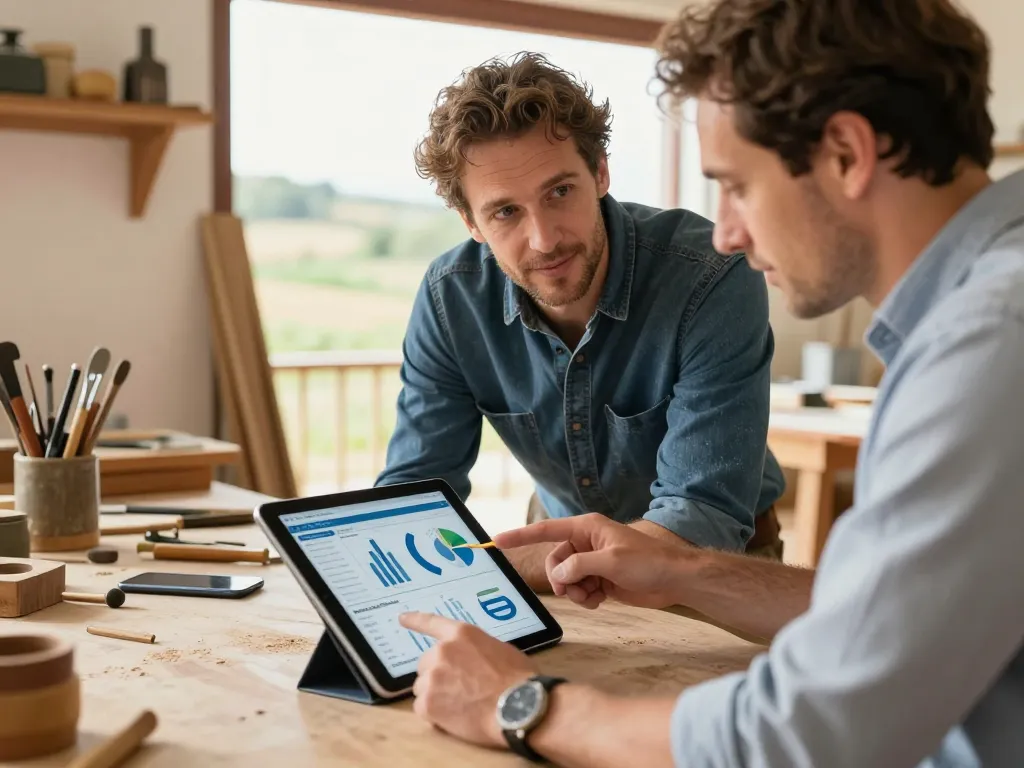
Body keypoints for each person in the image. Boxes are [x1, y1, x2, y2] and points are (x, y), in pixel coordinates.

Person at [397, 0, 1024, 766]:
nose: (726, 229)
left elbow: (810, 732)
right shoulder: (978, 316)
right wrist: (681, 567)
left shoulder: (989, 345)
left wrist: (524, 707)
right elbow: (897, 619)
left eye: (736, 184)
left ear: (848, 154)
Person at [375, 52, 788, 590]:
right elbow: (413, 501)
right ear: (470, 222)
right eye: (505, 212)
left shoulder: (712, 275)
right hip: (555, 568)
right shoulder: (450, 299)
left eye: (559, 192)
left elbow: (700, 517)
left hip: (716, 563)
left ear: (600, 173)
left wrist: (498, 566)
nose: (544, 239)